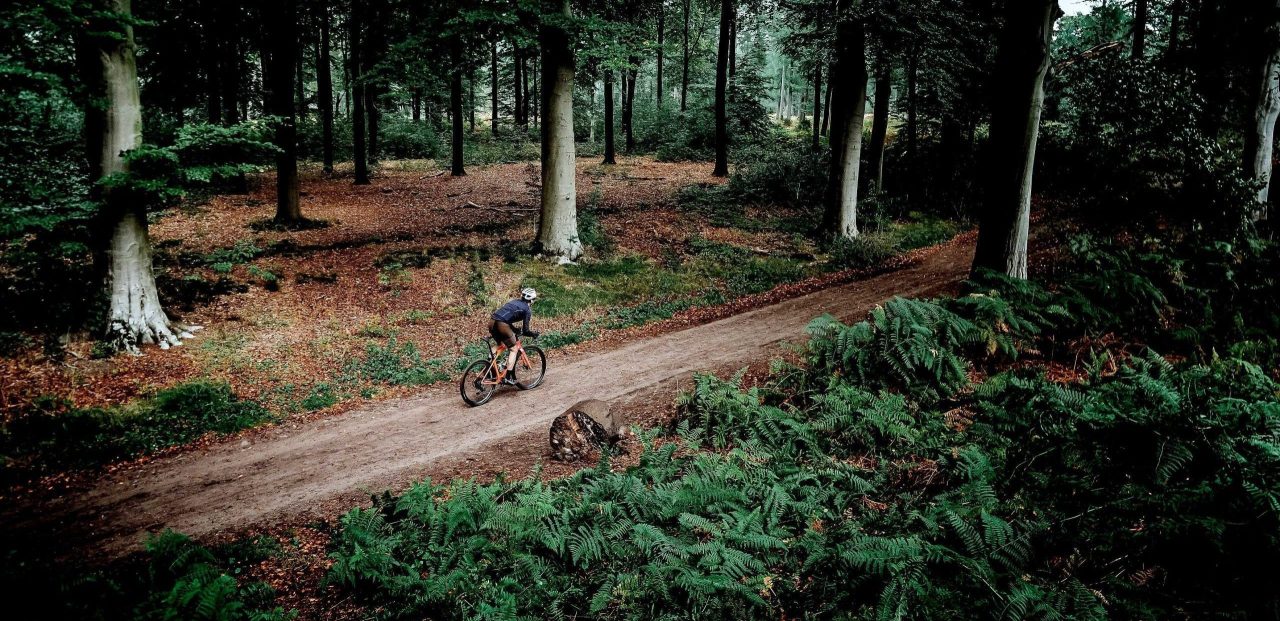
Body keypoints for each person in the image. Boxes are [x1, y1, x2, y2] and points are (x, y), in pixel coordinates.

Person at [489, 287, 540, 385]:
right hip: (502, 324)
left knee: (501, 344)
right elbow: (526, 331)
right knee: (514, 349)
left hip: (492, 322)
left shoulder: (514, 302)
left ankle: (488, 364)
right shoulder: (527, 310)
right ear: (532, 300)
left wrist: (515, 329)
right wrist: (533, 334)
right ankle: (508, 377)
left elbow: (507, 317)